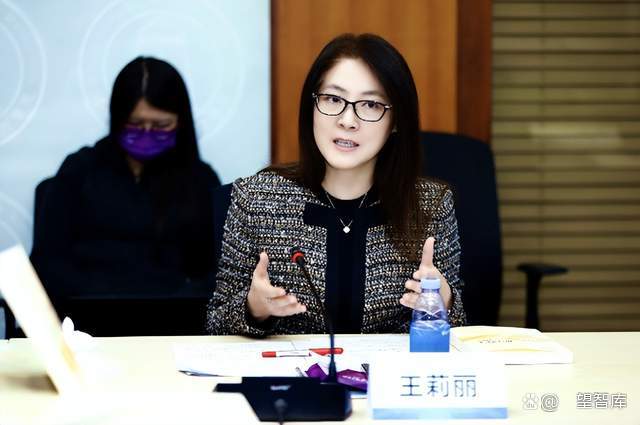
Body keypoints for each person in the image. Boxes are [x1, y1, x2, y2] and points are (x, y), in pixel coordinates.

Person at [207, 34, 465, 336]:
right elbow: (215, 324)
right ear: (312, 106)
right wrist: (253, 308)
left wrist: (444, 303)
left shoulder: (430, 205)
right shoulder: (256, 198)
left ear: (396, 120)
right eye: (333, 99)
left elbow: (460, 331)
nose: (347, 120)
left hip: (388, 368)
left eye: (370, 104)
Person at [30, 57, 221, 336]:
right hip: (88, 327)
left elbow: (218, 271)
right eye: (135, 124)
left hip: (176, 328)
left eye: (161, 125)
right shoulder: (79, 171)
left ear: (181, 123)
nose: (147, 134)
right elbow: (47, 263)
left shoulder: (201, 180)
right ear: (117, 119)